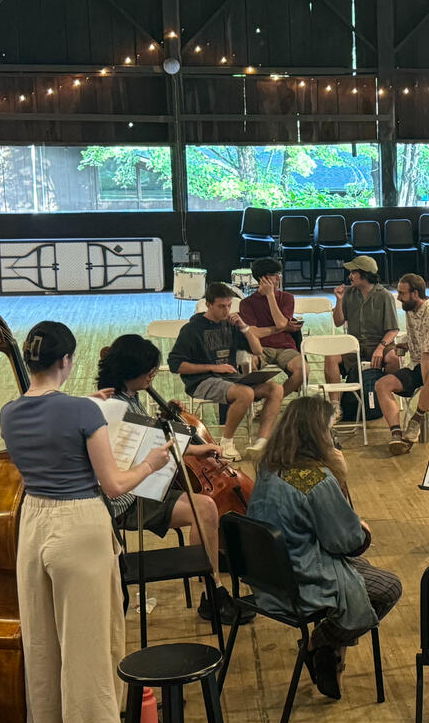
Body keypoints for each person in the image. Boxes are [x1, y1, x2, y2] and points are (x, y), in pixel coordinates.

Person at [0, 321, 173, 723]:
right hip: (79, 525)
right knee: (84, 646)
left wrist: (88, 406)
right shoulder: (81, 411)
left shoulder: (10, 411)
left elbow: (51, 418)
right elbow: (116, 485)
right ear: (66, 361)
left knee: (42, 641)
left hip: (33, 525)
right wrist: (152, 464)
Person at [246, 396, 400, 699]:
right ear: (317, 434)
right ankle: (320, 643)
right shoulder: (315, 479)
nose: (333, 438)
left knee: (362, 574)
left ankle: (330, 657)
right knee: (389, 588)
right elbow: (348, 543)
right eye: (331, 431)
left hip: (268, 573)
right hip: (301, 578)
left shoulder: (268, 466)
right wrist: (343, 484)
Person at [96, 334, 252, 626]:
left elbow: (152, 442)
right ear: (130, 370)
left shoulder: (130, 396)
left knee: (205, 507)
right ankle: (211, 591)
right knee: (205, 508)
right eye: (149, 372)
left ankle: (212, 567)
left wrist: (191, 445)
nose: (152, 376)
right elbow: (144, 454)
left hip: (143, 483)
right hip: (128, 497)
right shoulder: (115, 407)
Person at [168, 282, 284, 461]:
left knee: (276, 389)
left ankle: (262, 442)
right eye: (222, 306)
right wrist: (214, 367)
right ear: (208, 304)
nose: (226, 311)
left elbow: (258, 350)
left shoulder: (230, 325)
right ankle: (226, 442)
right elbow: (176, 365)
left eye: (229, 306)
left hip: (230, 379)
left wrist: (245, 328)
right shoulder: (192, 329)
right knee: (245, 393)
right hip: (201, 381)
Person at [374, 273, 429, 455]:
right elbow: (420, 351)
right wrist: (405, 345)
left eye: (402, 293)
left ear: (415, 293)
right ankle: (396, 434)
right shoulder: (410, 310)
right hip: (417, 363)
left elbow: (428, 356)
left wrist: (425, 389)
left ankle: (415, 421)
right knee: (382, 385)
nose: (398, 297)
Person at [324, 255, 401, 385]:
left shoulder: (384, 296)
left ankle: (385, 394)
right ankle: (335, 403)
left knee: (394, 359)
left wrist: (381, 348)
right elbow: (338, 322)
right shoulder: (348, 293)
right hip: (354, 345)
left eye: (353, 272)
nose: (350, 277)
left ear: (365, 275)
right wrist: (339, 300)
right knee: (331, 358)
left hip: (379, 343)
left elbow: (393, 329)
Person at [237, 257, 306, 396]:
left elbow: (280, 322)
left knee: (303, 370)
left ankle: (276, 399)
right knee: (247, 363)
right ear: (262, 279)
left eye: (278, 274)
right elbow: (253, 332)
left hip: (285, 347)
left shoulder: (287, 298)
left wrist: (270, 296)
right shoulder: (247, 303)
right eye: (274, 275)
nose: (278, 278)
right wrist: (284, 328)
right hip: (260, 348)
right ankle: (256, 399)